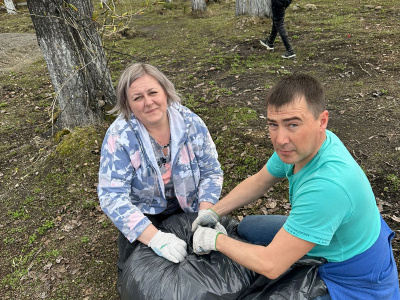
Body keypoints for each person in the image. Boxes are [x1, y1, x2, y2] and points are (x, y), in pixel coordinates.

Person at [192, 74, 400, 299]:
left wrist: (215, 240)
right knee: (248, 228)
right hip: (335, 234)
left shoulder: (328, 186)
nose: (280, 139)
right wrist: (213, 212)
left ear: (322, 121)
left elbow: (271, 265)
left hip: (354, 277)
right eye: (274, 124)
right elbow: (260, 181)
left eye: (293, 124)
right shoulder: (301, 147)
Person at [97, 63, 224, 275]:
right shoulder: (119, 137)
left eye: (153, 92)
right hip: (144, 211)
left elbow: (211, 172)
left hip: (190, 205)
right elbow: (111, 196)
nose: (148, 103)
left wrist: (206, 213)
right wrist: (155, 238)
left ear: (165, 92)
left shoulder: (191, 123)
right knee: (133, 271)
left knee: (213, 258)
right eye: (137, 98)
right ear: (127, 104)